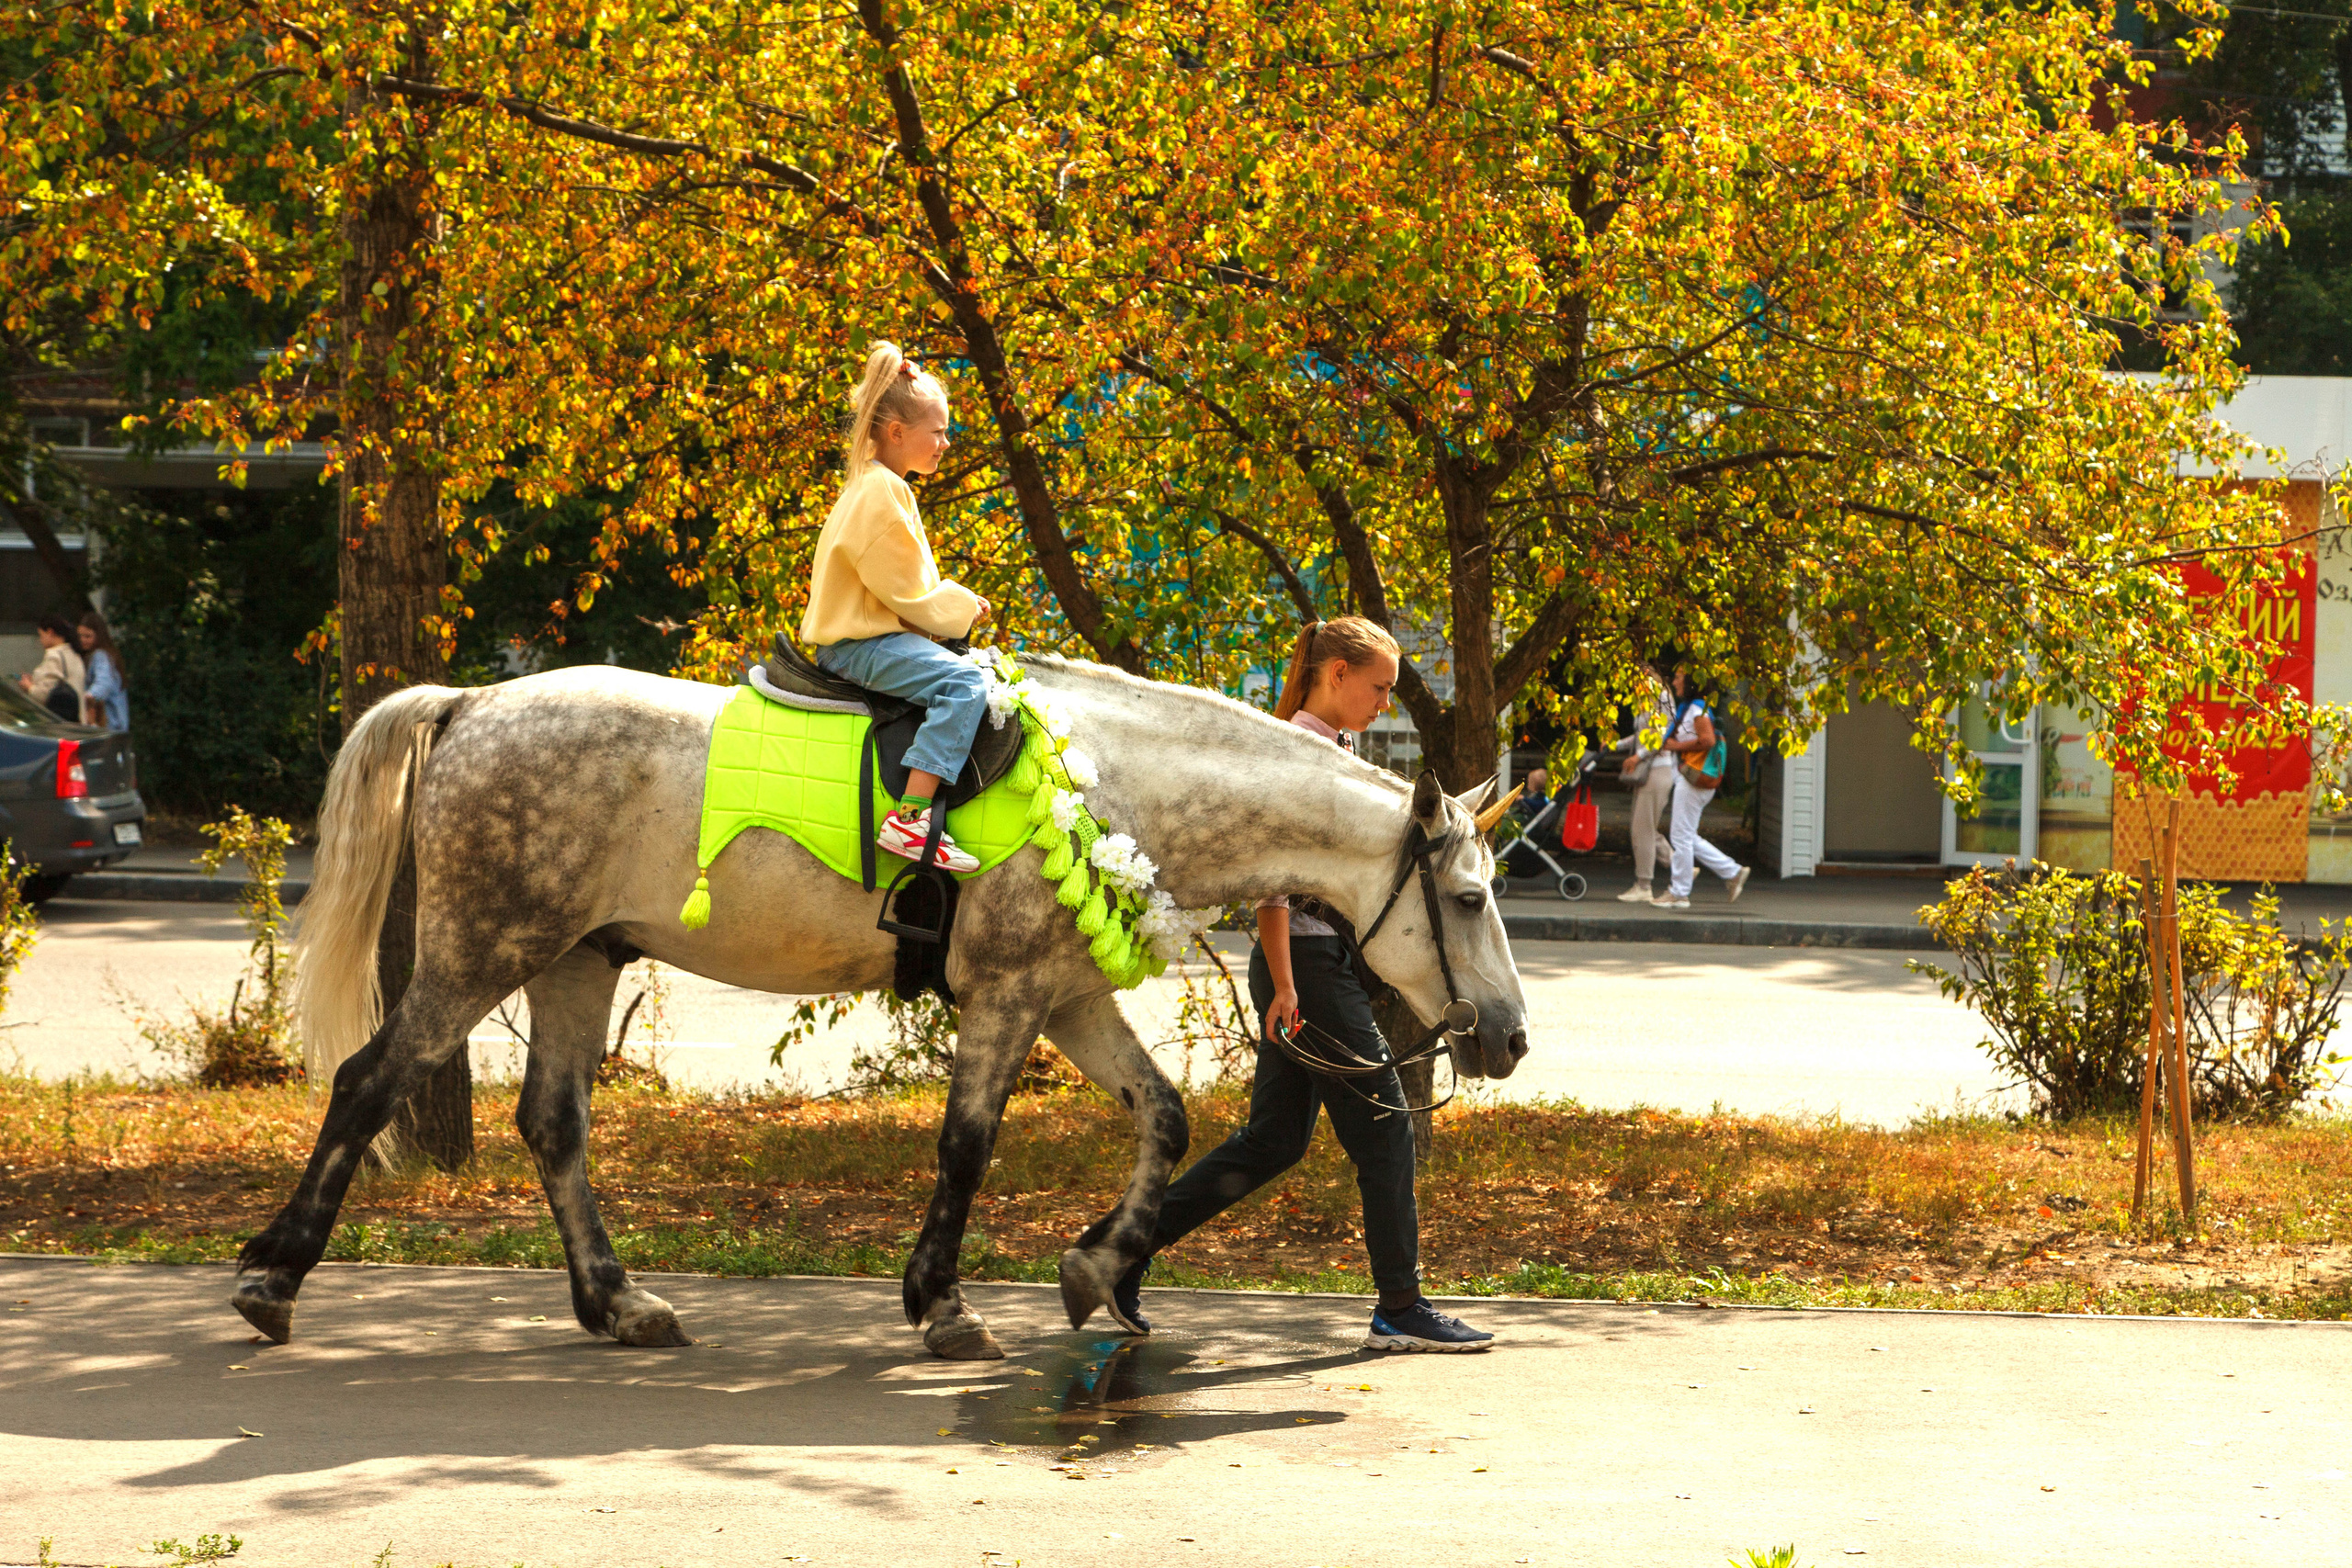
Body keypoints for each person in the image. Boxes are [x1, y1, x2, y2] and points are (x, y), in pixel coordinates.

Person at [1115, 615, 1495, 1353]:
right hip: (1307, 969)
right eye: (1380, 686)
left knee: (1274, 1141)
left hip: (1318, 966)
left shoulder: (1335, 749)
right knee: (1385, 1129)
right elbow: (1273, 883)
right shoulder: (1298, 753)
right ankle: (1401, 1306)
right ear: (1338, 675)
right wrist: (1287, 984)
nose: (1386, 701)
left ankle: (1115, 1250)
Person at [800, 342, 993, 873]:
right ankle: (910, 818)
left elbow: (901, 587)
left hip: (870, 639)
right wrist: (960, 606)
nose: (945, 443)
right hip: (861, 647)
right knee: (965, 684)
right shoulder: (882, 492)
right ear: (896, 432)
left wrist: (946, 604)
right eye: (937, 432)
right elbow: (907, 595)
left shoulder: (876, 484)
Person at [1657, 666, 1750, 910]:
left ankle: (1679, 892)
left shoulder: (1697, 710)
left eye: (1678, 677)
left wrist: (1675, 746)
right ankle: (1732, 872)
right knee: (1686, 835)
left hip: (1692, 780)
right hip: (1694, 780)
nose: (1674, 681)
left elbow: (1707, 740)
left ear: (1689, 682)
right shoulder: (1695, 708)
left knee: (1680, 836)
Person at [1615, 668, 1678, 902]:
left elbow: (1660, 736)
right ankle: (1680, 867)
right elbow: (1641, 736)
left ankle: (1644, 885)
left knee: (1642, 829)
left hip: (1656, 768)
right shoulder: (1646, 701)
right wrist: (1616, 745)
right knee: (1644, 827)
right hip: (1651, 770)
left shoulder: (1661, 698)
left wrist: (1637, 757)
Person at [17, 613, 85, 724]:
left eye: (41, 635)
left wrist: (29, 687)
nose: (40, 640)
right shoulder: (74, 654)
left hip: (59, 724)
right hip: (77, 721)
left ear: (50, 632)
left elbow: (46, 694)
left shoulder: (54, 656)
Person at [78, 610, 128, 731]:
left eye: (88, 636)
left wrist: (85, 698)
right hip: (117, 725)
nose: (83, 640)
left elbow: (103, 683)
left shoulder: (101, 655)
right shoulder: (109, 655)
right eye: (80, 636)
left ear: (98, 636)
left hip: (109, 726)